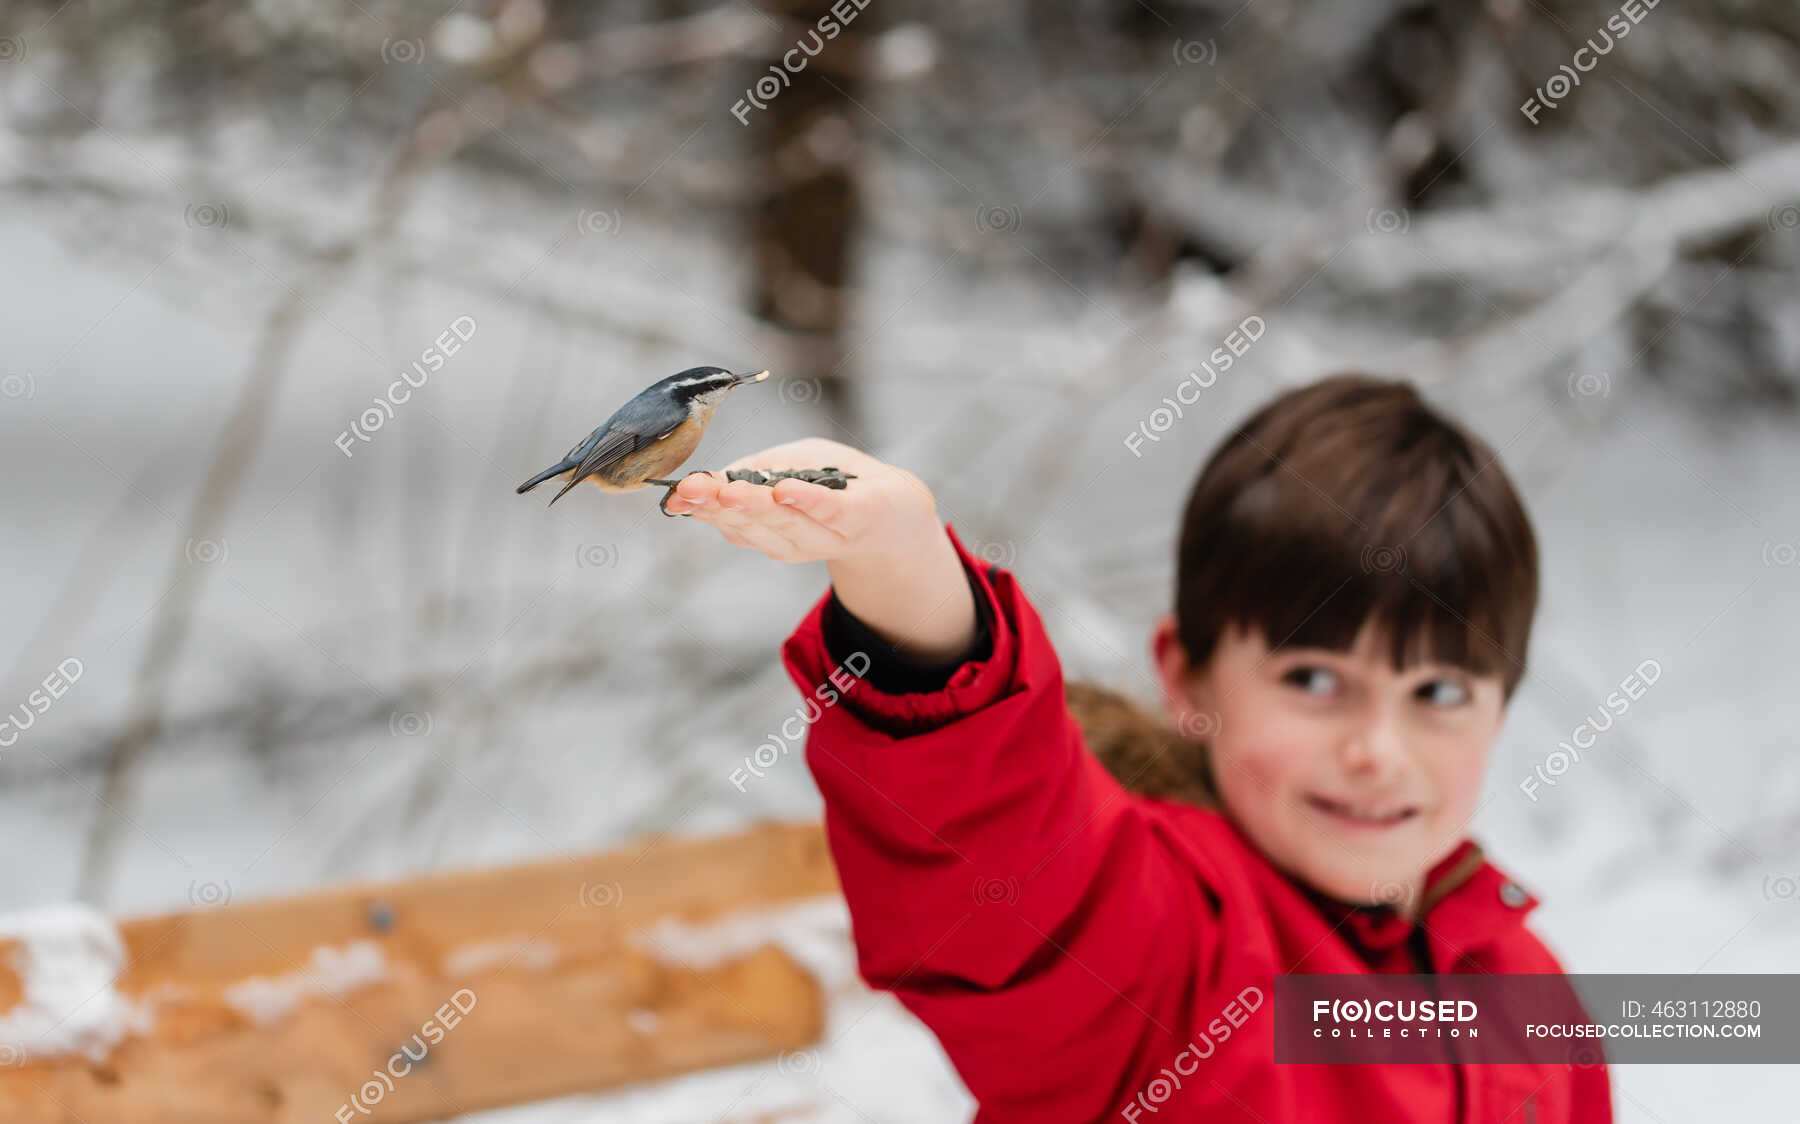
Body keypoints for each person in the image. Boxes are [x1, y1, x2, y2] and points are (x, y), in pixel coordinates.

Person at [664, 373, 1611, 1122]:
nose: (1377, 750)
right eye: (1315, 681)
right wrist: (908, 583)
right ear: (1187, 677)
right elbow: (1006, 869)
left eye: (1439, 693)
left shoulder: (1524, 988)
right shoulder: (1168, 942)